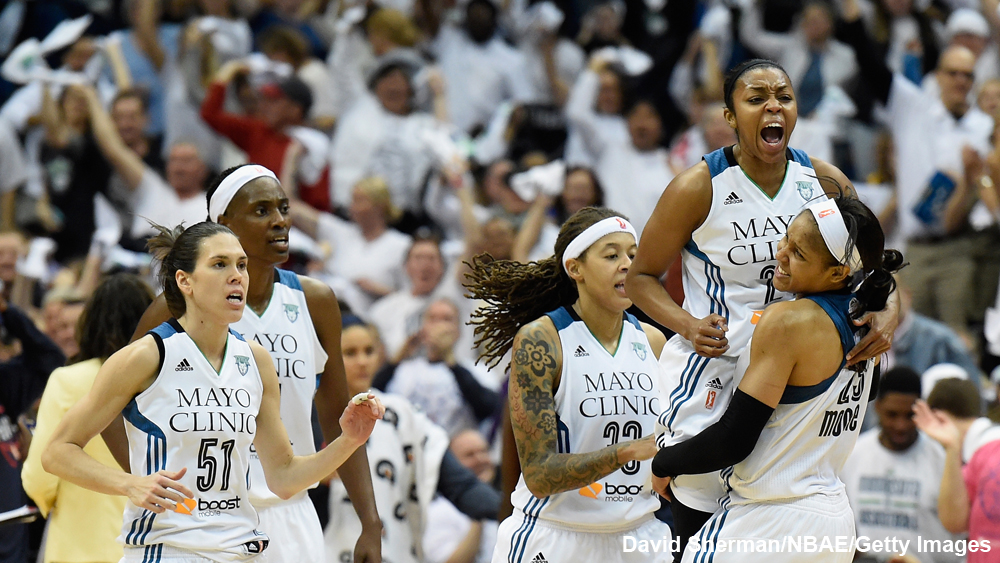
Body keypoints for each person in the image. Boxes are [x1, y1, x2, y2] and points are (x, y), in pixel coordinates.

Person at [625, 58, 898, 560]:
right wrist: (686, 323)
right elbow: (639, 278)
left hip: (799, 357)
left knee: (782, 491)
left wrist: (887, 312)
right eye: (756, 98)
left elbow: (874, 263)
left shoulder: (823, 180)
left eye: (784, 96)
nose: (773, 105)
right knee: (699, 491)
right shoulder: (698, 186)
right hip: (719, 361)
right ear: (730, 116)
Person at [41, 221, 384, 562]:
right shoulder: (147, 356)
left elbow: (283, 477)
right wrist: (128, 483)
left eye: (241, 265)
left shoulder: (256, 361)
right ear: (184, 281)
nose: (237, 275)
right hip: (169, 550)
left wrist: (348, 441)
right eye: (220, 264)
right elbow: (57, 451)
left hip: (240, 549)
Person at [650, 196, 904, 562]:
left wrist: (664, 462)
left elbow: (735, 439)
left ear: (836, 273)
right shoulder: (868, 319)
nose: (780, 253)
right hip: (832, 522)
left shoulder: (788, 321)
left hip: (769, 521)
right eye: (786, 239)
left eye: (798, 253)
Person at [464, 206, 671, 563]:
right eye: (612, 255)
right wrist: (627, 451)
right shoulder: (542, 341)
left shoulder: (654, 342)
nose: (627, 264)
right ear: (575, 267)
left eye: (633, 255)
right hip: (555, 535)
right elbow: (540, 475)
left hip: (639, 535)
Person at [326, 316, 500, 563]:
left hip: (396, 553)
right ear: (329, 357)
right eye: (350, 353)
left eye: (369, 351)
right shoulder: (310, 416)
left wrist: (516, 511)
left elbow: (461, 486)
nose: (363, 361)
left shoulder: (401, 413)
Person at [21, 273, 154, 563]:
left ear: (91, 323)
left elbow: (39, 478)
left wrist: (52, 504)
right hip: (153, 543)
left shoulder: (69, 380)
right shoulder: (165, 380)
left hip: (79, 547)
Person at [841, 367, 961, 563]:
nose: (901, 425)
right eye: (892, 414)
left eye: (909, 415)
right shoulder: (852, 455)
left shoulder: (941, 458)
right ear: (877, 406)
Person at [914, 379, 1000, 562]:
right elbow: (954, 522)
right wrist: (952, 450)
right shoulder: (978, 455)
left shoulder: (987, 454)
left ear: (939, 417)